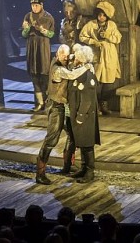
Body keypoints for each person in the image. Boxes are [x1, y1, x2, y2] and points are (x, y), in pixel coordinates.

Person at [34, 44, 92, 185]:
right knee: (52, 139)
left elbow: (73, 57)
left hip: (65, 106)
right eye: (63, 56)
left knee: (72, 135)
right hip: (56, 106)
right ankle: (40, 173)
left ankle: (67, 166)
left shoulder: (64, 60)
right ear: (57, 55)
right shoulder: (57, 69)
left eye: (67, 55)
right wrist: (87, 66)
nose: (66, 58)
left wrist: (78, 56)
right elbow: (71, 75)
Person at [79, 0, 122, 116]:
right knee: (95, 80)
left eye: (104, 15)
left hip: (109, 55)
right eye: (99, 15)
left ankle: (104, 104)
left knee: (108, 81)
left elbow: (118, 38)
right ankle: (95, 106)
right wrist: (93, 41)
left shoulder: (112, 25)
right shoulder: (91, 24)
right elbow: (82, 36)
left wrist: (108, 36)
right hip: (97, 54)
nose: (101, 17)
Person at [67, 44, 101, 183]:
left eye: (76, 57)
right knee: (81, 141)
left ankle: (90, 171)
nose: (74, 59)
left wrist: (80, 115)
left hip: (85, 115)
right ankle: (83, 167)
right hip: (78, 113)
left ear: (81, 59)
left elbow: (86, 99)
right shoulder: (80, 71)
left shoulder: (86, 75)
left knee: (87, 144)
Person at [21, 0, 56, 112]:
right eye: (32, 5)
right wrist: (26, 29)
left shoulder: (48, 17)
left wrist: (44, 31)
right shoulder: (28, 16)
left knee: (44, 75)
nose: (34, 7)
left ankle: (47, 103)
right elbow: (23, 35)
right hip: (32, 47)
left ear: (41, 5)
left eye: (36, 5)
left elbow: (52, 34)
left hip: (43, 47)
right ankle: (39, 103)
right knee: (34, 75)